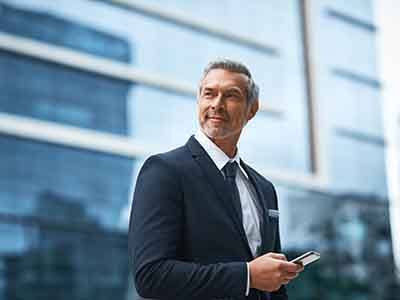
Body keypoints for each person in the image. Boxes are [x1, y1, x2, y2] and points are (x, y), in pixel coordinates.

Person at [128, 59, 303, 300]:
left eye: (231, 96)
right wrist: (247, 275)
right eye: (209, 94)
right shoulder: (164, 171)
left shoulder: (264, 188)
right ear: (199, 100)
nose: (217, 105)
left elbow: (273, 285)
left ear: (252, 109)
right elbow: (151, 276)